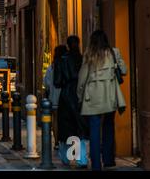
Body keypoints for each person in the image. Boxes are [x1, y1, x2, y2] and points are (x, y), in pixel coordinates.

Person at [77, 30, 127, 171]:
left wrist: (80, 96)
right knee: (108, 127)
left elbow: (82, 78)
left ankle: (96, 165)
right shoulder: (113, 53)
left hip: (92, 98)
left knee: (94, 131)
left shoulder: (89, 55)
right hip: (110, 96)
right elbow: (124, 70)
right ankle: (109, 160)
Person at [53, 35, 89, 167]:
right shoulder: (83, 59)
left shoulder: (61, 60)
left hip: (66, 96)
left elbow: (57, 82)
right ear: (78, 44)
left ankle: (67, 158)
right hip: (80, 95)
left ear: (67, 45)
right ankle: (82, 160)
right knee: (79, 127)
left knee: (66, 128)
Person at [43, 45, 68, 150]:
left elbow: (47, 84)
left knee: (55, 121)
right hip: (65, 98)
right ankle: (66, 140)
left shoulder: (51, 67)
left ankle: (57, 142)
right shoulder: (67, 65)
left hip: (54, 99)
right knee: (65, 120)